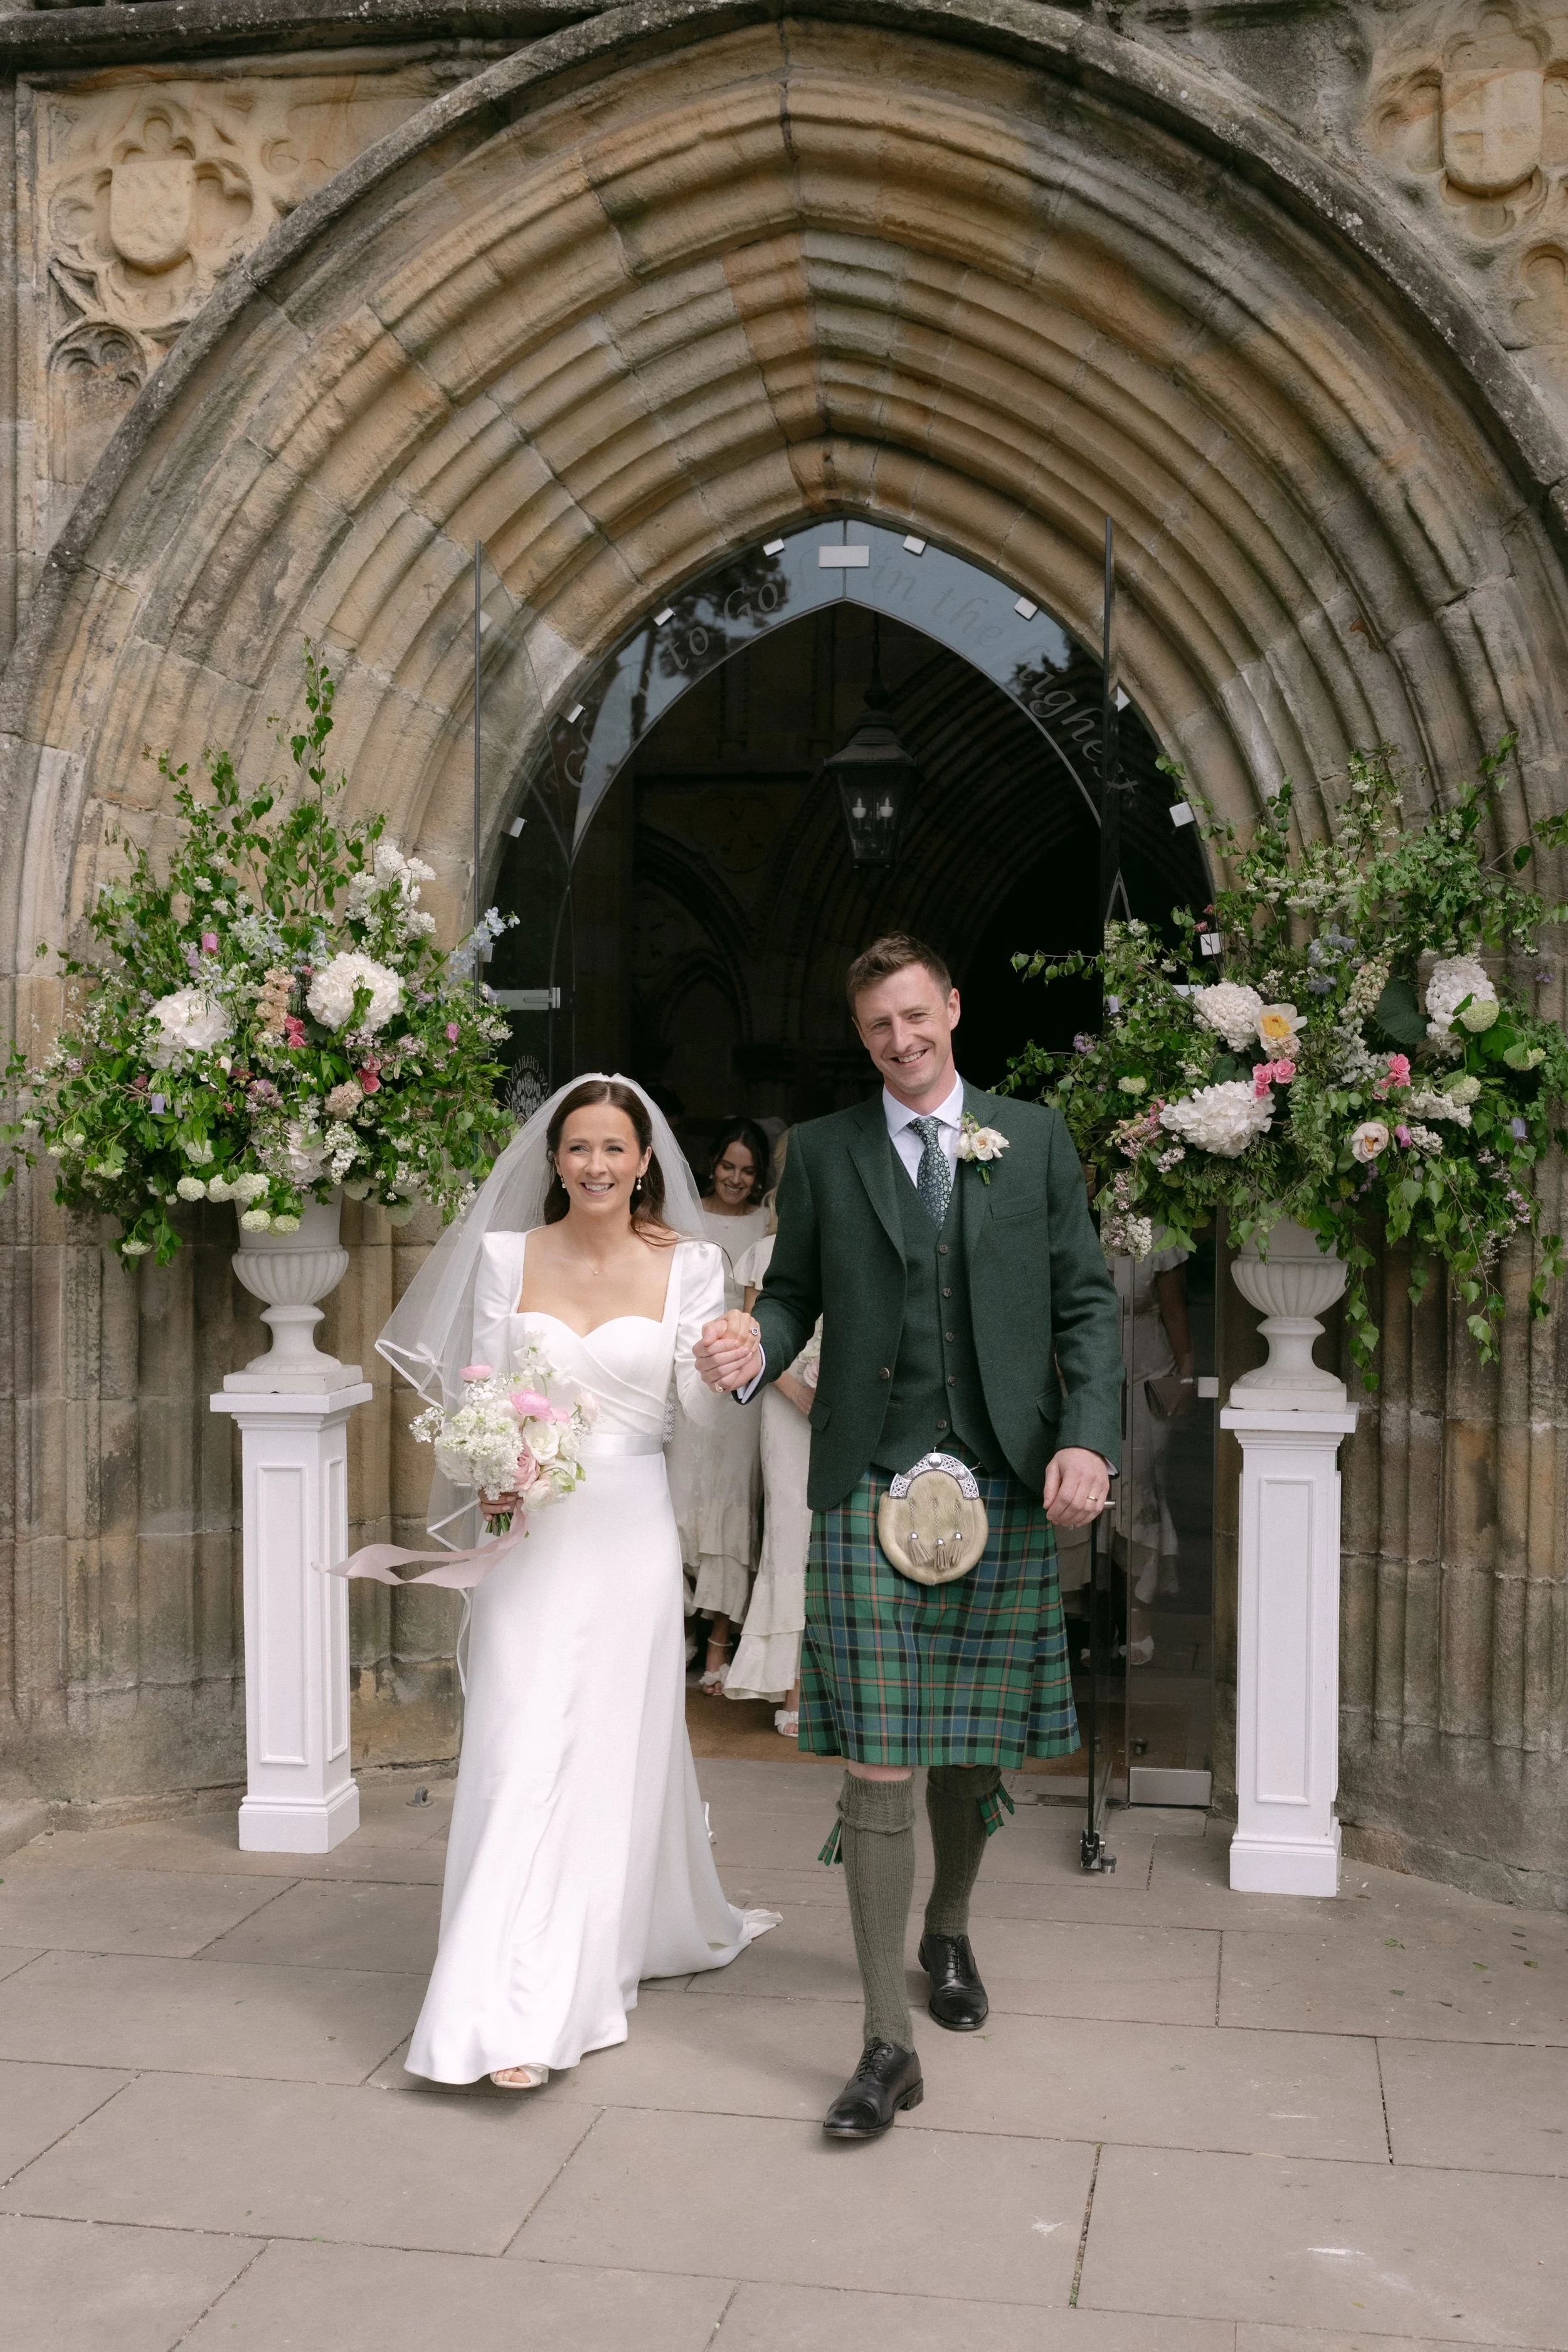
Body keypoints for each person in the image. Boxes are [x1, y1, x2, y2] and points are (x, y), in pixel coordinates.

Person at [696, 936, 1121, 2141]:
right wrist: (756, 1346)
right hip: (870, 1482)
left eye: (916, 1015)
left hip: (1004, 1479)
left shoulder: (1033, 1139)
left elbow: (1086, 1303)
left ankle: (948, 1930)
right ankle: (887, 2041)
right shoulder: (828, 1152)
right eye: (880, 1024)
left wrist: (1089, 1439)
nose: (902, 1039)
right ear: (863, 1036)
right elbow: (793, 1294)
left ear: (953, 1009)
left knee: (976, 1746)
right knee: (879, 1753)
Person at [374, 1075, 776, 2090]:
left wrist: (733, 1364)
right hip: (532, 1535)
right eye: (580, 1147)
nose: (597, 1164)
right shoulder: (506, 1258)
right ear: (554, 1160)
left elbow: (702, 1412)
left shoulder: (692, 1265)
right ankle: (500, 1994)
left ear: (645, 1162)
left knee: (600, 1755)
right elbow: (481, 1394)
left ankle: (559, 1993)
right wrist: (488, 1464)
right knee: (517, 1746)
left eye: (614, 1148)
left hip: (630, 1532)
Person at [665, 1117, 772, 1693]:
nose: (735, 1178)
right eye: (729, 1166)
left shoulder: (766, 1225)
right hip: (687, 1372)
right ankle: (678, 1629)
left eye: (747, 1171)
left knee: (732, 1498)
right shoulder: (684, 1219)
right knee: (681, 1493)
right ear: (713, 1164)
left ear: (760, 1177)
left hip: (741, 1388)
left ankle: (719, 1642)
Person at [728, 1127, 819, 1737]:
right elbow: (755, 1344)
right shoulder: (763, 1255)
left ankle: (839, 1686)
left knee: (840, 1540)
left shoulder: (852, 1244)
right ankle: (791, 1687)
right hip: (787, 1409)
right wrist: (801, 1392)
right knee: (789, 1537)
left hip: (844, 1408)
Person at [1113, 1242, 1195, 1666]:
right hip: (1088, 1378)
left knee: (1138, 1489)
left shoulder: (1159, 1232)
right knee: (1095, 1497)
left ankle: (1137, 1613)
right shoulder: (1080, 1222)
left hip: (1148, 1379)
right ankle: (1094, 1615)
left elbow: (1176, 1310)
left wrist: (1188, 1375)